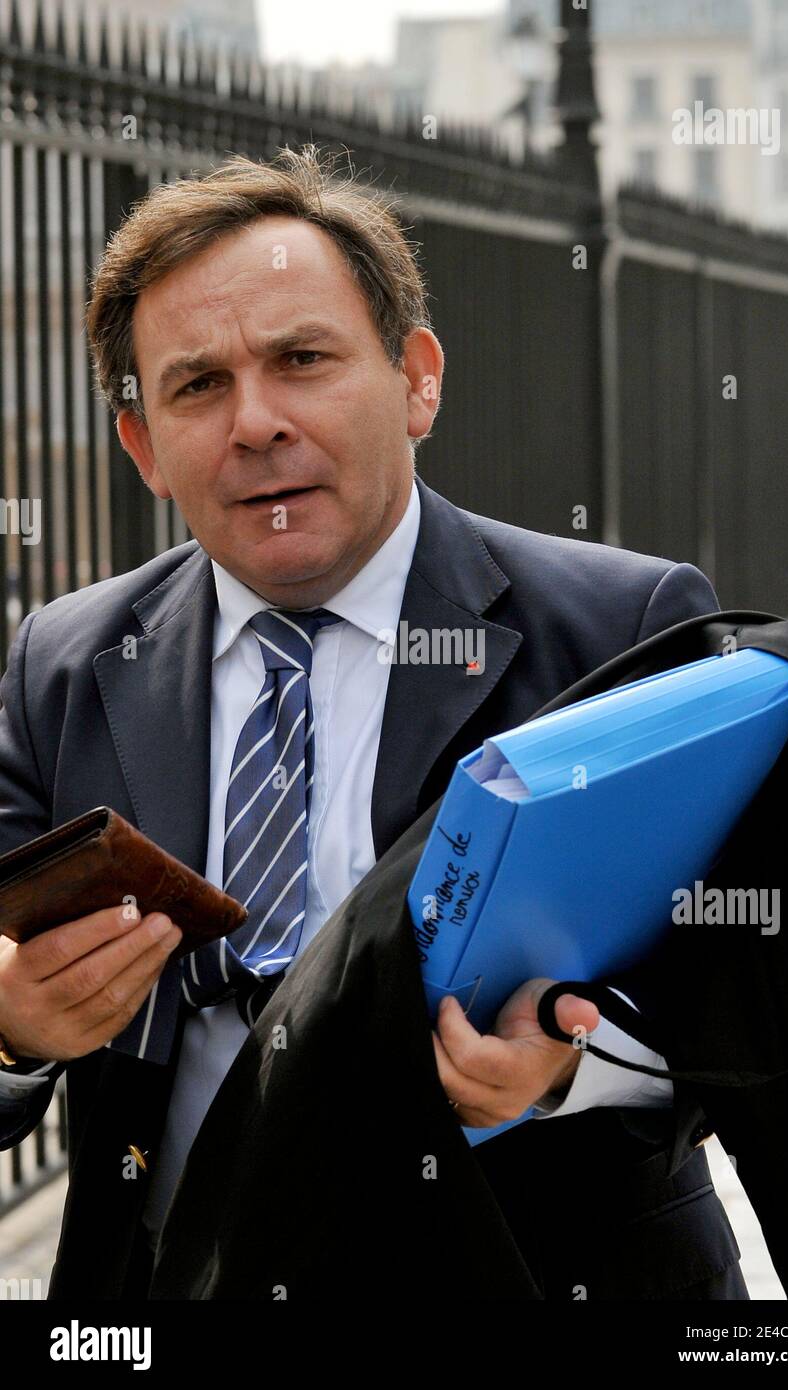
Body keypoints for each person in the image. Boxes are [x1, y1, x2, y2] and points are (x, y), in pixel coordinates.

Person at [0, 145, 745, 1300]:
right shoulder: (64, 659)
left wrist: (570, 1068)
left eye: (301, 360)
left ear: (416, 378)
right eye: (196, 385)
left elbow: (753, 1007)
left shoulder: (623, 627)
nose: (255, 423)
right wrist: (12, 1030)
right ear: (141, 446)